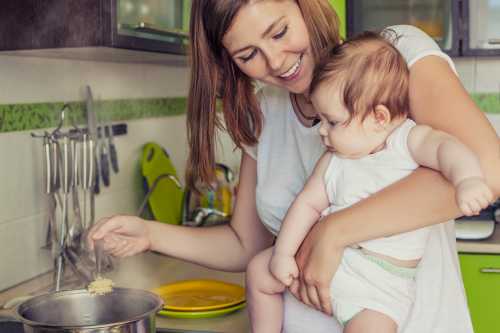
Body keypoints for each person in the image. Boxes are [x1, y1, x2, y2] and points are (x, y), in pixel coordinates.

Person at [87, 1, 500, 332]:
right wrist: (149, 233)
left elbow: (486, 167)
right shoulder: (263, 112)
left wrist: (333, 232)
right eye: (248, 55)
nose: (275, 62)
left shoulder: (391, 59)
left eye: (279, 32)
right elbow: (246, 244)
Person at [246, 32, 494, 333]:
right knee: (259, 270)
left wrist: (467, 179)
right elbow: (306, 204)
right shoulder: (333, 160)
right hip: (333, 268)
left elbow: (448, 149)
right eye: (319, 121)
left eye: (332, 122)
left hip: (381, 287)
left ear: (379, 117)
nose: (322, 132)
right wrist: (283, 254)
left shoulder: (406, 139)